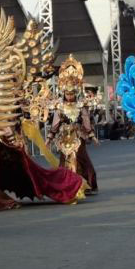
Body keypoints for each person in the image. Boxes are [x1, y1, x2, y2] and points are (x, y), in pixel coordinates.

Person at [46, 55, 99, 194]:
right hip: (64, 136)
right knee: (64, 160)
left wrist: (92, 136)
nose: (69, 96)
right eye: (67, 94)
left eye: (71, 94)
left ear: (76, 92)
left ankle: (88, 184)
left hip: (78, 135)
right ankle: (66, 185)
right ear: (63, 93)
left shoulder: (81, 105)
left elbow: (86, 122)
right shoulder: (59, 106)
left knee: (82, 158)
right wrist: (49, 138)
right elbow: (55, 124)